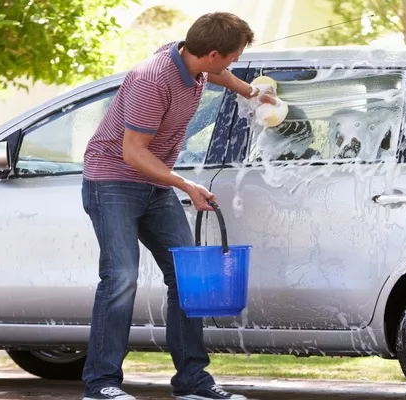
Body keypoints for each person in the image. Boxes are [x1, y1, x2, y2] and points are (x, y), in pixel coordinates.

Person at [80, 12, 276, 400]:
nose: (235, 62)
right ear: (214, 52)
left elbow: (215, 74)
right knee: (121, 278)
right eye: (233, 56)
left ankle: (192, 383)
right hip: (113, 180)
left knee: (188, 279)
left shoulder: (190, 61)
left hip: (152, 183)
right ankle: (101, 383)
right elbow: (132, 152)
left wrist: (249, 92)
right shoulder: (152, 80)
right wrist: (185, 184)